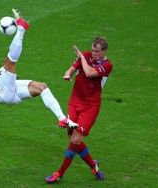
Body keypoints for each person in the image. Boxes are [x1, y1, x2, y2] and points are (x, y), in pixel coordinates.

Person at [0, 9, 78, 128]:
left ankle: (62, 119)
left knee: (41, 87)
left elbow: (4, 77)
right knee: (9, 63)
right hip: (1, 93)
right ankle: (21, 29)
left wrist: (10, 77)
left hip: (12, 90)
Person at [45, 36, 113, 183]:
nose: (93, 53)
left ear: (104, 51)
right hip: (75, 101)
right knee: (72, 137)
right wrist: (68, 74)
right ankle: (94, 166)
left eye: (97, 51)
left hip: (90, 106)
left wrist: (81, 56)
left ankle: (59, 173)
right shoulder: (86, 55)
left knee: (75, 140)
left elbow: (89, 73)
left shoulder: (107, 65)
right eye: (92, 50)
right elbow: (73, 68)